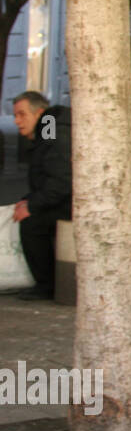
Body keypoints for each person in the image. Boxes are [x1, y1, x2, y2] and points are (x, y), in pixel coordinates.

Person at [10, 91, 71, 301]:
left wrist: (32, 205)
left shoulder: (50, 126)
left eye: (22, 114)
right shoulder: (49, 125)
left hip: (68, 201)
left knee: (32, 223)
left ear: (39, 113)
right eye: (15, 115)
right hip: (62, 197)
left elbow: (60, 180)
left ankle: (46, 285)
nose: (17, 121)